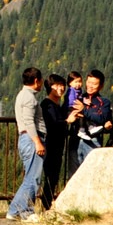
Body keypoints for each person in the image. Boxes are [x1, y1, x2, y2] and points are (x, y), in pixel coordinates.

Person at [8, 67, 48, 222]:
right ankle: (24, 211)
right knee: (33, 177)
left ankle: (15, 210)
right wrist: (38, 142)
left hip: (27, 139)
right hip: (32, 139)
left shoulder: (24, 95)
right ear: (36, 81)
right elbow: (29, 122)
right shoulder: (29, 98)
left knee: (30, 176)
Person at [66, 69, 113, 172]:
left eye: (94, 84)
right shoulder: (78, 97)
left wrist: (84, 110)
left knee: (92, 172)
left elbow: (102, 118)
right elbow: (67, 109)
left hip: (93, 140)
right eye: (89, 82)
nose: (90, 86)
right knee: (74, 174)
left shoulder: (104, 102)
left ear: (101, 86)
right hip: (75, 138)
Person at [39, 73, 71, 208]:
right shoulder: (47, 105)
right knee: (50, 177)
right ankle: (46, 205)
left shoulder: (57, 105)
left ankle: (47, 205)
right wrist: (67, 121)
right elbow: (51, 125)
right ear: (50, 87)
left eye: (62, 85)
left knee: (53, 177)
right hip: (50, 145)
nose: (61, 88)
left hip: (57, 145)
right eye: (57, 85)